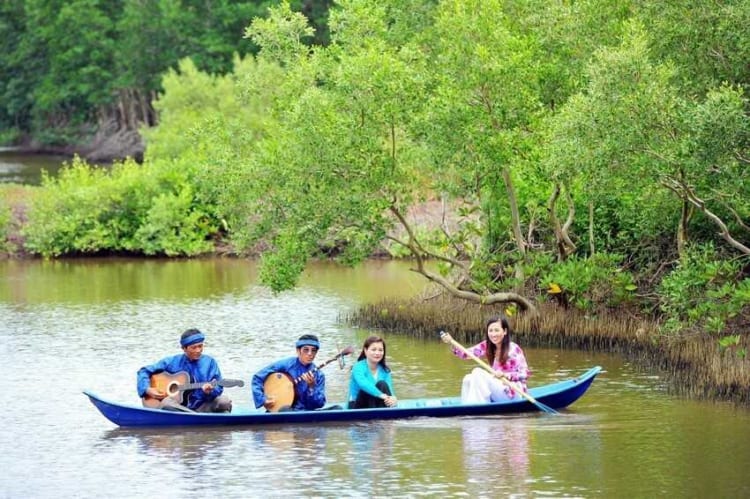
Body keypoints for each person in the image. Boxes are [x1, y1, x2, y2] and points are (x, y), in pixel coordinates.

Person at [136, 328, 233, 412]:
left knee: (224, 402)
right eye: (194, 347)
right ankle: (196, 418)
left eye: (200, 346)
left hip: (203, 405)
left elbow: (219, 387)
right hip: (178, 407)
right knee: (166, 403)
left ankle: (194, 417)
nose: (198, 350)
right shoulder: (172, 361)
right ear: (184, 348)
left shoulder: (210, 362)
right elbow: (144, 371)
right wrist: (147, 389)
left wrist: (209, 392)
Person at [441, 315, 530, 404]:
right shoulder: (487, 345)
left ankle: (475, 407)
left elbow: (525, 373)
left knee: (477, 372)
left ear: (505, 331)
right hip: (498, 389)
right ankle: (467, 406)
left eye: (497, 330)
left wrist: (506, 375)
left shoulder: (513, 349)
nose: (493, 334)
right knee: (468, 379)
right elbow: (466, 354)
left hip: (513, 392)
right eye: (490, 331)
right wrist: (451, 343)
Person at [252, 334, 326, 411]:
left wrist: (312, 388)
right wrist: (263, 400)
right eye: (306, 350)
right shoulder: (285, 365)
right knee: (285, 410)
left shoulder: (319, 375)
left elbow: (318, 404)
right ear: (298, 351)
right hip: (285, 411)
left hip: (306, 413)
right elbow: (257, 378)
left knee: (337, 408)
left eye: (313, 350)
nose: (310, 353)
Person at [348, 335, 397, 409]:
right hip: (357, 406)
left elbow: (389, 389)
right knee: (366, 390)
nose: (377, 353)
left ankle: (382, 416)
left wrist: (393, 399)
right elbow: (363, 384)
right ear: (365, 350)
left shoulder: (385, 370)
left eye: (380, 350)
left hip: (377, 404)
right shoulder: (358, 367)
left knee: (382, 384)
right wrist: (381, 395)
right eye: (373, 350)